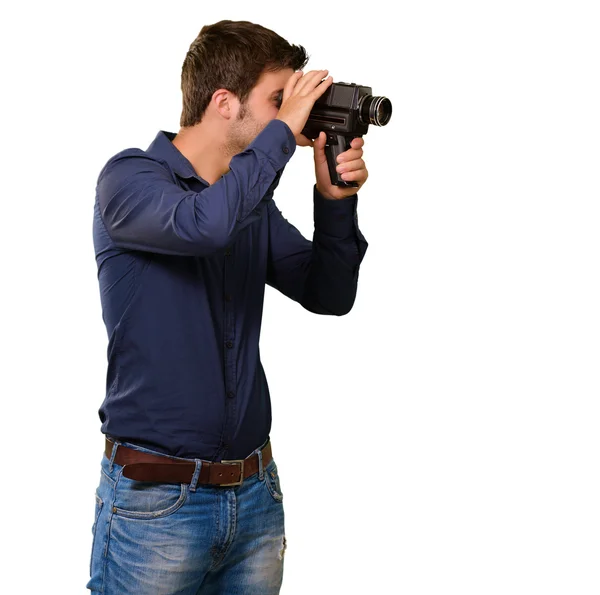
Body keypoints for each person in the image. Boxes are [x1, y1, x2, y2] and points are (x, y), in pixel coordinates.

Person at [87, 19, 369, 595]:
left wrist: (333, 202)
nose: (293, 117)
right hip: (157, 506)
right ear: (224, 102)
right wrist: (281, 137)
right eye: (278, 100)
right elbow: (204, 226)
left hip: (254, 498)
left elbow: (330, 295)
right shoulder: (131, 180)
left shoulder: (250, 209)